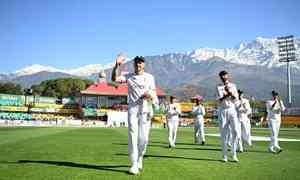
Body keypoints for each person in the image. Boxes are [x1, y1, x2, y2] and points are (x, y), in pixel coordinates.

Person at [111, 54, 159, 175]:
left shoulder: (150, 77)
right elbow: (114, 78)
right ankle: (133, 164)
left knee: (144, 139)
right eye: (137, 62)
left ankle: (140, 157)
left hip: (145, 110)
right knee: (132, 136)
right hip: (133, 110)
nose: (138, 64)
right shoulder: (129, 76)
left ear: (144, 64)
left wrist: (150, 96)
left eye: (141, 62)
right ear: (134, 64)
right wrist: (117, 65)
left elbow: (154, 93)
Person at [216, 70, 239, 162]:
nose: (223, 78)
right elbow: (218, 100)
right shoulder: (218, 87)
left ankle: (234, 154)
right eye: (222, 76)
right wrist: (225, 96)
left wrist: (230, 93)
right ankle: (224, 156)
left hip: (232, 110)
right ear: (220, 78)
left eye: (225, 76)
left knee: (236, 132)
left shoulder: (233, 86)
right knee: (224, 134)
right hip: (223, 111)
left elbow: (236, 99)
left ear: (227, 76)